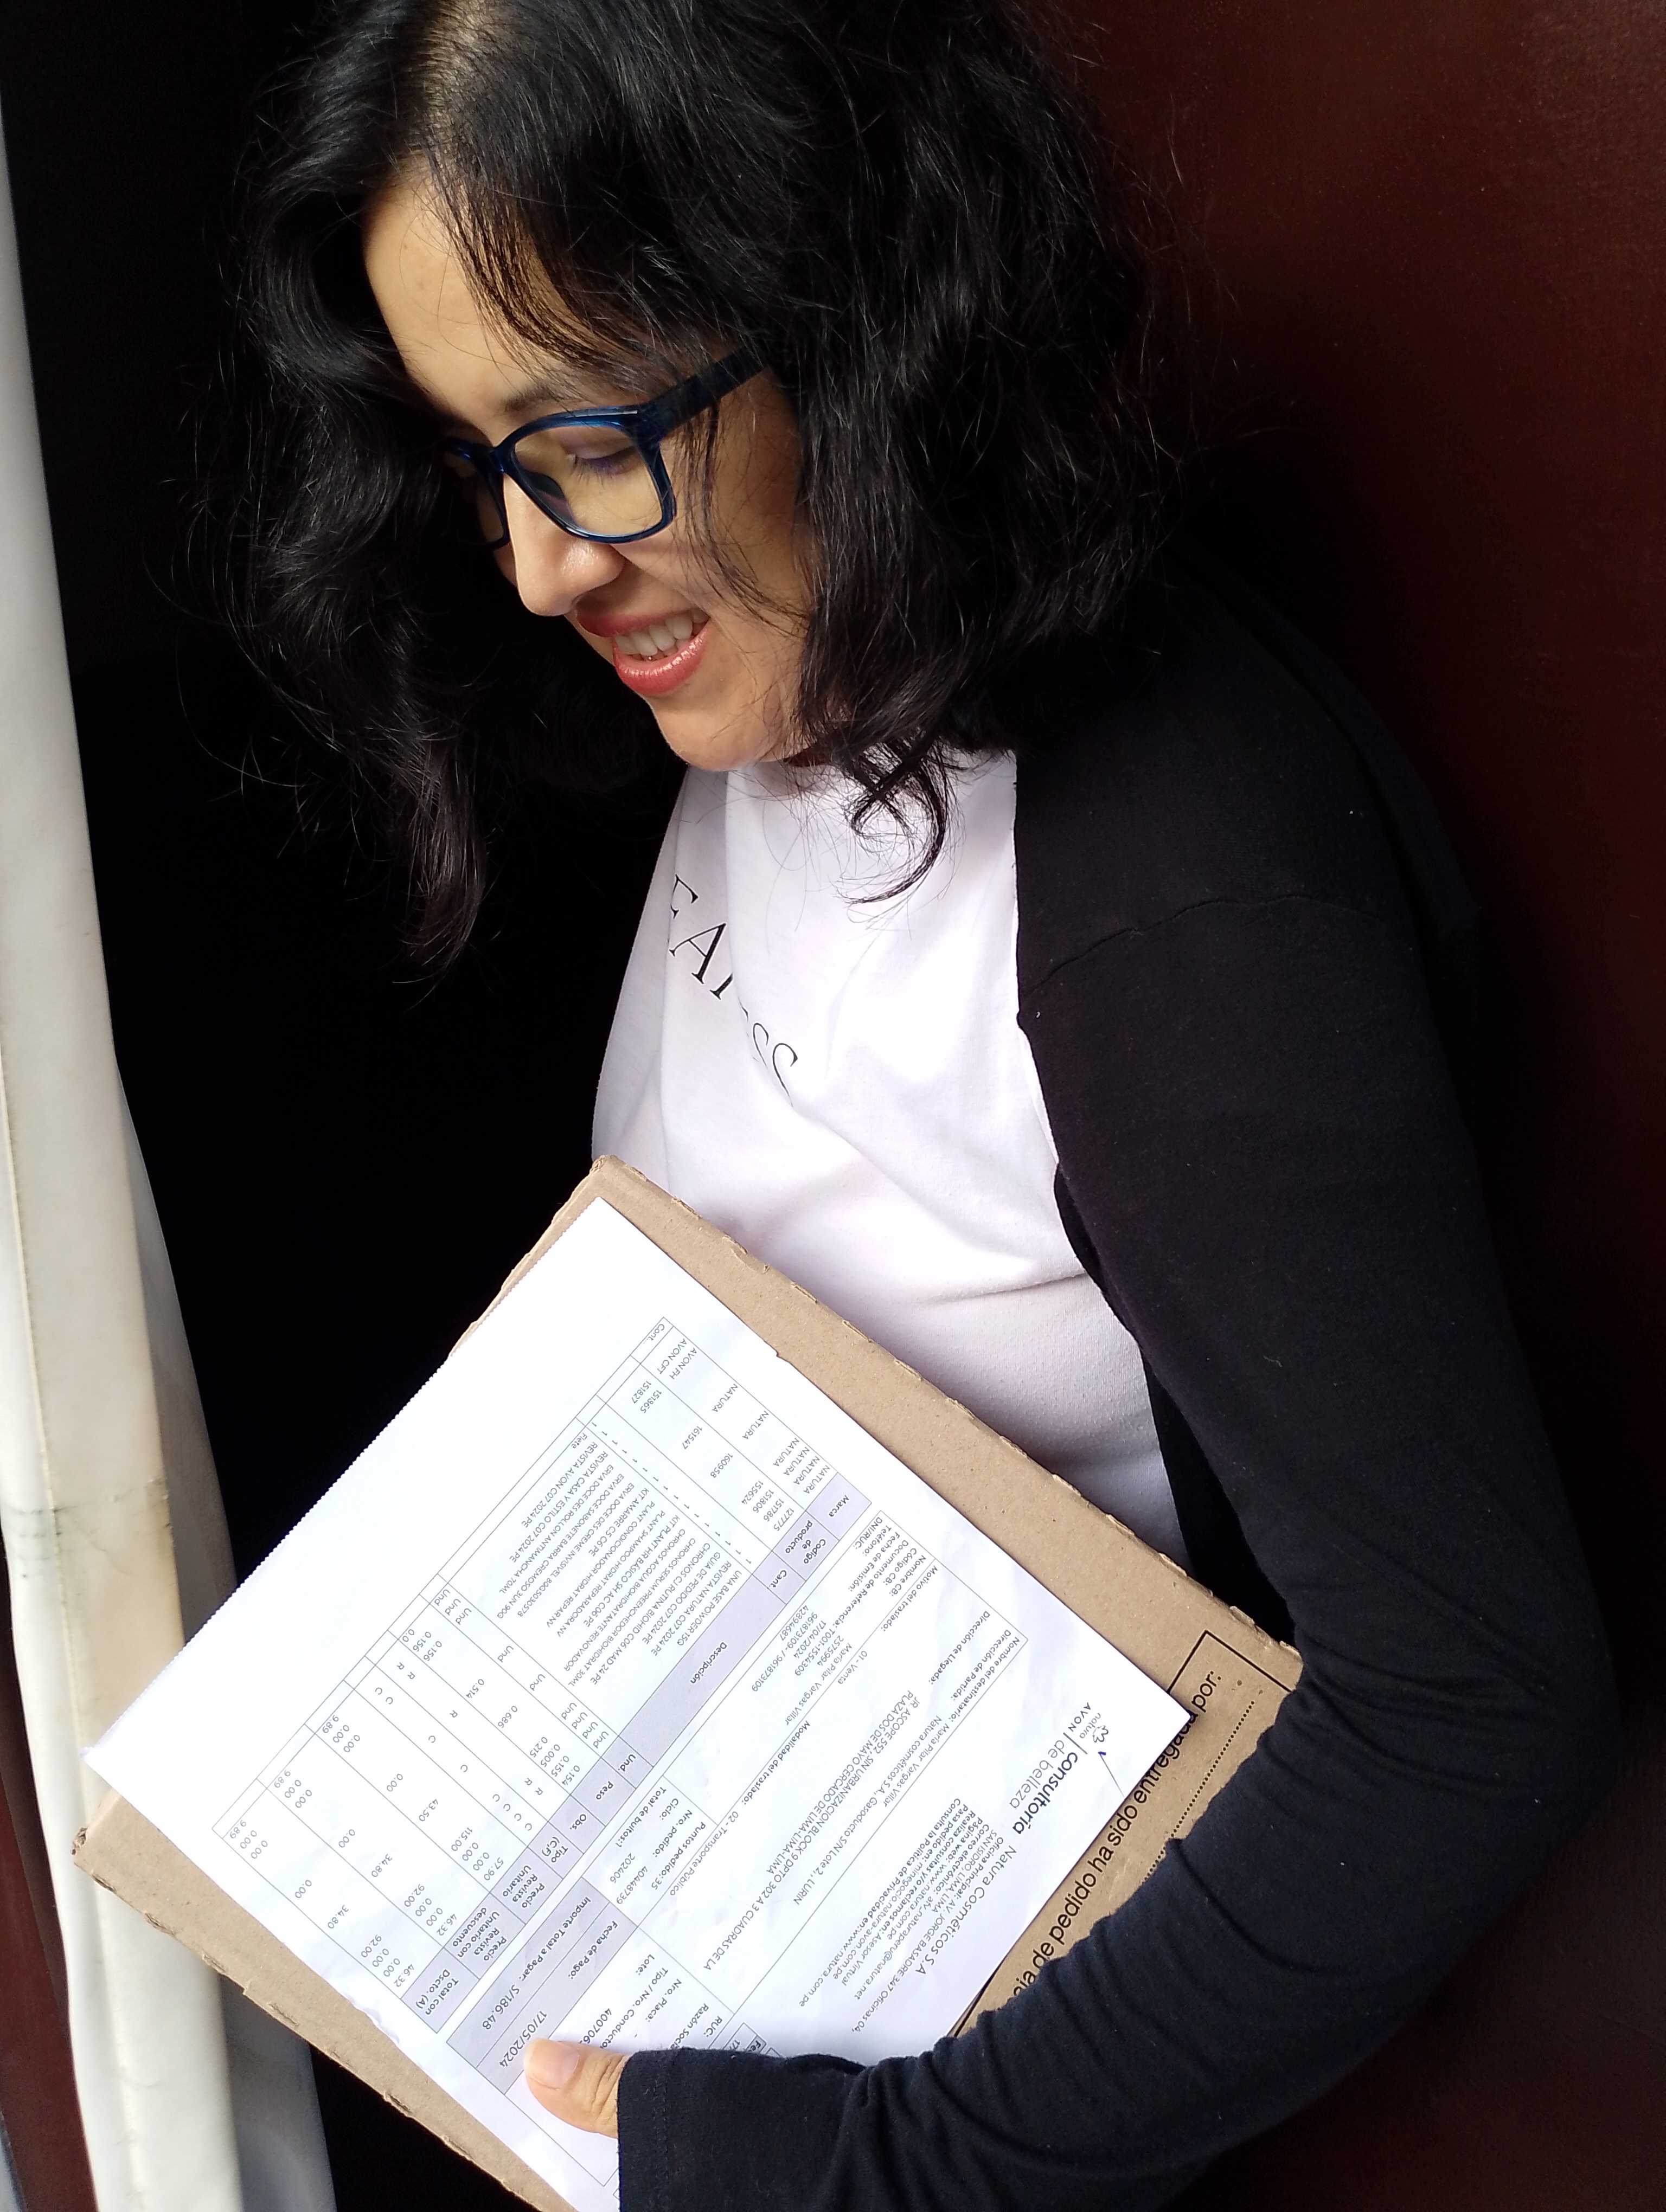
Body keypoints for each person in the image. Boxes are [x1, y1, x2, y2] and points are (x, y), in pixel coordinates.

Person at [225, 2, 1619, 2205]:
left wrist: (875, 2175)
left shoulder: (1167, 885)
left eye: (586, 439)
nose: (545, 560)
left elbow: (1474, 1713)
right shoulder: (794, 661)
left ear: (852, 320)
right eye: (486, 456)